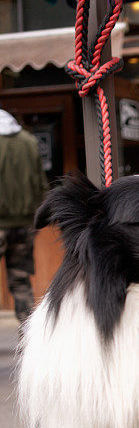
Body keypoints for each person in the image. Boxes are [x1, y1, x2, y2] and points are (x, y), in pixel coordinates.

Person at [0, 109, 48, 323]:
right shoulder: (29, 141)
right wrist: (38, 218)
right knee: (21, 281)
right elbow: (40, 183)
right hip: (25, 224)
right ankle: (29, 335)